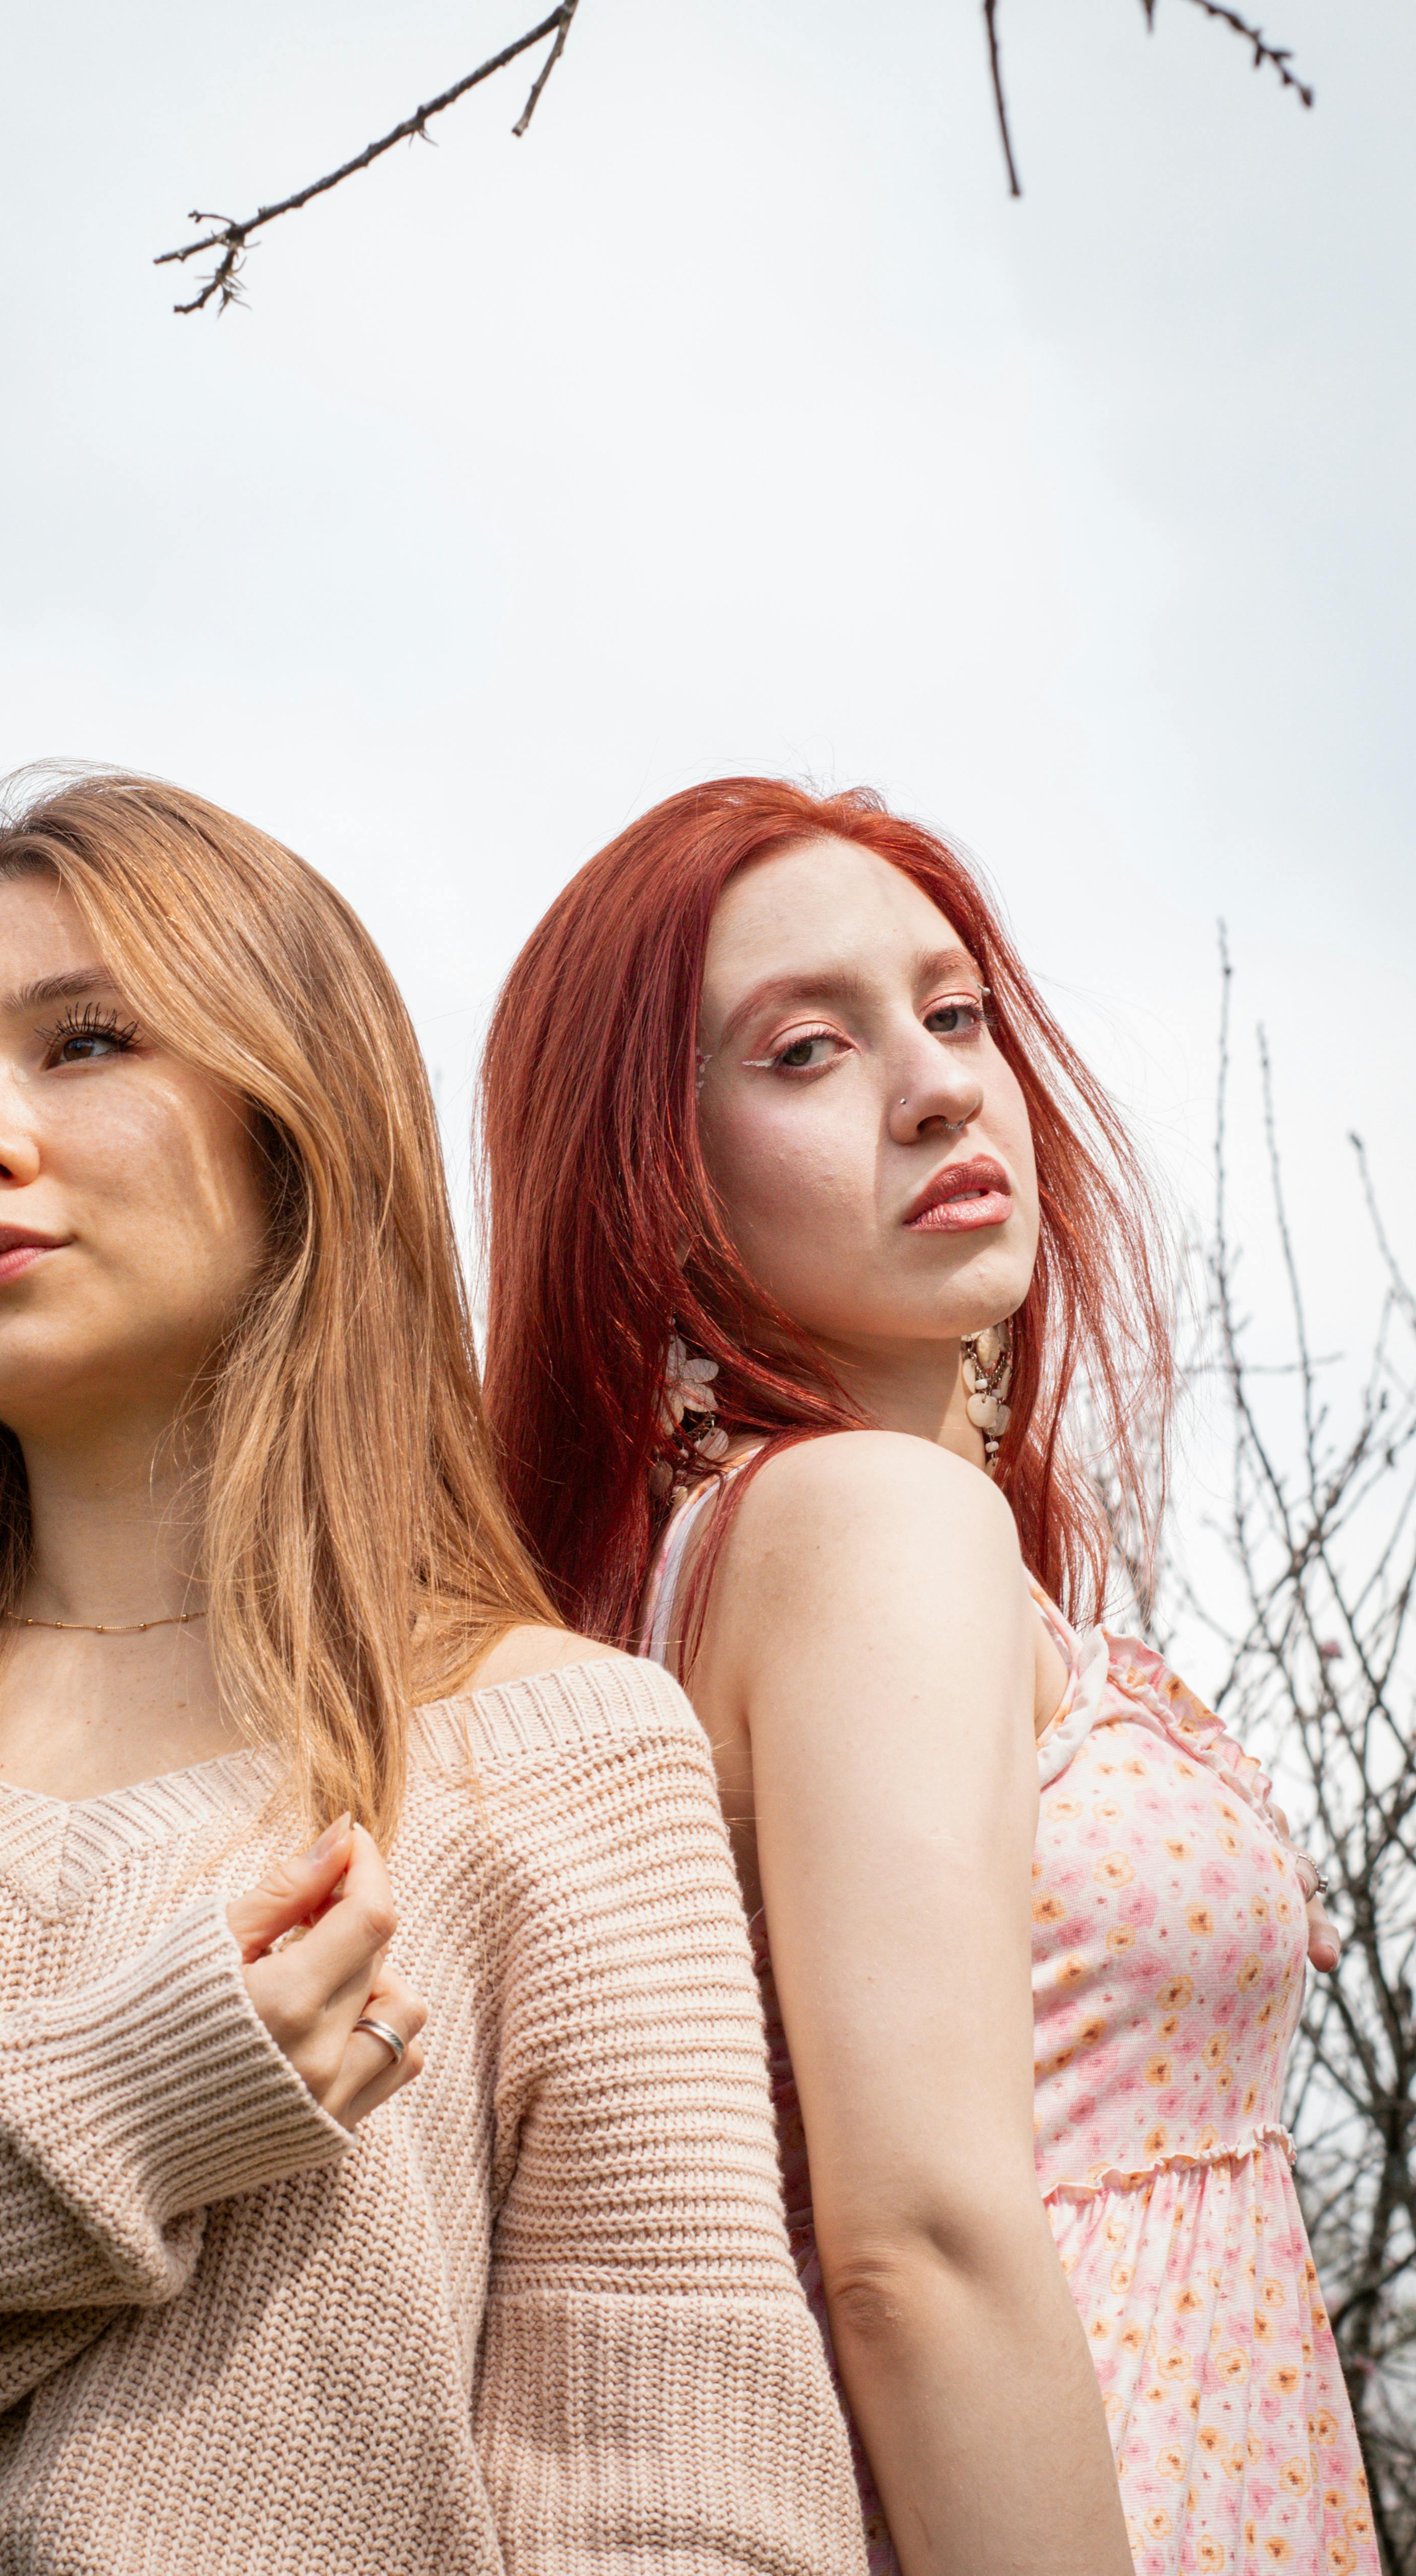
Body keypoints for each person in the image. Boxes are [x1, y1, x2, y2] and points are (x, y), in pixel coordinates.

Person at [0, 771, 864, 2575]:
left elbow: (685, 2498)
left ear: (297, 1124)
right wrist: (109, 2125)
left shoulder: (563, 1749)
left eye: (85, 1042)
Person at [479, 776, 1377, 2576]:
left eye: (956, 1012)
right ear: (656, 1183)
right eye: (807, 1049)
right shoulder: (866, 1522)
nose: (946, 1084)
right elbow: (918, 2254)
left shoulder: (752, 1553)